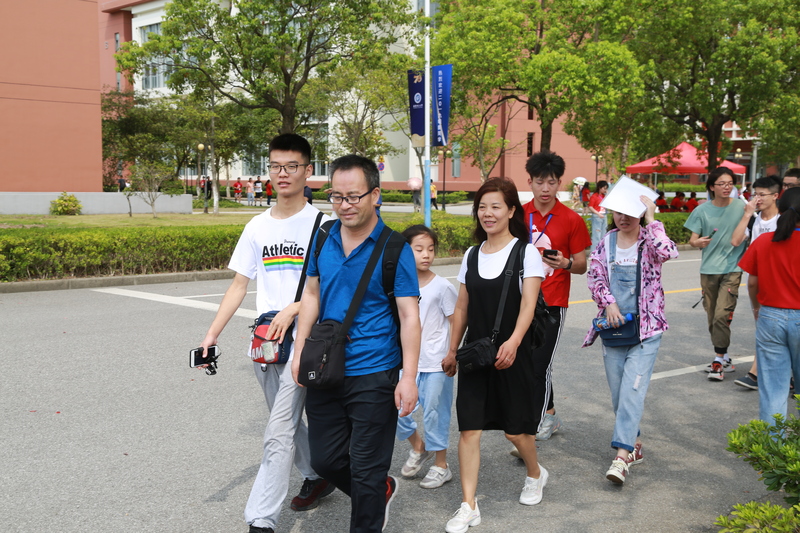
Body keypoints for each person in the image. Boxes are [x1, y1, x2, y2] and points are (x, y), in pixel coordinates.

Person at [196, 133, 333, 533]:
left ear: (308, 170)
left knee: (277, 430)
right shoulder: (256, 226)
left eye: (292, 166)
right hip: (266, 344)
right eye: (276, 166)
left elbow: (332, 286)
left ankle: (261, 519)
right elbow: (239, 284)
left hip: (306, 342)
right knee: (282, 420)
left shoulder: (324, 226)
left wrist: (295, 307)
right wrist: (211, 335)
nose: (283, 173)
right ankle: (317, 475)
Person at [292, 154, 421, 533]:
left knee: (366, 469)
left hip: (375, 373)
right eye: (337, 196)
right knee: (325, 461)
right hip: (325, 368)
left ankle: (370, 501)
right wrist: (299, 352)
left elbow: (410, 317)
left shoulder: (395, 248)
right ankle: (379, 490)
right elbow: (311, 295)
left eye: (353, 196)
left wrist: (408, 378)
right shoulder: (323, 238)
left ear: (375, 195)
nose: (344, 205)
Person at [441, 178, 546, 533]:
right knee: (469, 429)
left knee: (515, 432)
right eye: (482, 207)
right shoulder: (471, 255)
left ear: (512, 210)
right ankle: (468, 505)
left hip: (512, 354)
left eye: (495, 206)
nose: (487, 213)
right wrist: (452, 350)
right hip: (476, 354)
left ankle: (535, 473)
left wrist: (514, 342)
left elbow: (529, 304)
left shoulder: (525, 253)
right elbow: (462, 306)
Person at [583, 196, 679, 484]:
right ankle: (633, 443)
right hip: (614, 329)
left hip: (647, 330)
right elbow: (595, 276)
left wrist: (652, 219)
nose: (623, 218)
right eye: (618, 212)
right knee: (618, 395)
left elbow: (669, 251)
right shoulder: (607, 242)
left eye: (630, 213)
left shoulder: (650, 239)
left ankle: (622, 457)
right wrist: (609, 303)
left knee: (631, 392)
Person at [518, 150, 591, 443]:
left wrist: (565, 263)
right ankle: (549, 413)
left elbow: (582, 265)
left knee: (540, 364)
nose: (545, 188)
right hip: (520, 300)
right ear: (530, 182)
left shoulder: (572, 219)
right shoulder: (518, 215)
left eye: (551, 182)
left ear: (560, 183)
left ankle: (537, 423)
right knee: (525, 362)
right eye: (539, 182)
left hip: (552, 303)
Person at [395, 225, 458, 489]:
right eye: (419, 249)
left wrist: (452, 352)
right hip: (405, 363)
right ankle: (419, 447)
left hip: (435, 363)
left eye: (430, 249)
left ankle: (441, 465)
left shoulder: (442, 286)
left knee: (435, 414)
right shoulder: (397, 283)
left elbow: (456, 320)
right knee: (395, 411)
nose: (426, 255)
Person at [738, 187, 800, 423]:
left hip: (770, 316)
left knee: (773, 389)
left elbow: (752, 283)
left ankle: (774, 444)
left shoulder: (764, 241)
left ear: (781, 209)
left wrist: (757, 308)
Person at [684, 167, 747, 381]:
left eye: (730, 183)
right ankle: (725, 356)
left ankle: (718, 360)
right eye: (722, 184)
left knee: (721, 314)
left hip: (732, 268)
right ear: (712, 187)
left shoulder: (741, 207)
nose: (727, 187)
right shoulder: (701, 210)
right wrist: (698, 242)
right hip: (708, 270)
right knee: (712, 316)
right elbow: (692, 240)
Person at [730, 176, 782, 390]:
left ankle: (756, 373)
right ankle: (760, 373)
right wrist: (747, 215)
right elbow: (735, 241)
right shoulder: (754, 220)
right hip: (758, 282)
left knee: (771, 329)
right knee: (764, 328)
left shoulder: (783, 220)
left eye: (762, 195)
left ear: (775, 195)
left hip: (779, 281)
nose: (757, 199)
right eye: (755, 194)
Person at [589, 181, 609, 251]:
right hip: (597, 216)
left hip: (604, 215)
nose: (605, 190)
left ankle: (601, 252)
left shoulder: (603, 196)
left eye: (606, 188)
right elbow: (590, 207)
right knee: (596, 235)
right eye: (604, 188)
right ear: (599, 188)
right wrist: (598, 214)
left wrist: (607, 194)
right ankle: (594, 252)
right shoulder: (594, 196)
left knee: (603, 235)